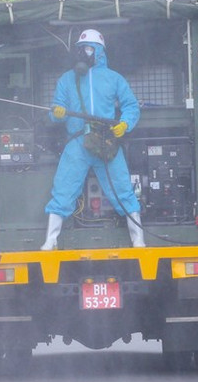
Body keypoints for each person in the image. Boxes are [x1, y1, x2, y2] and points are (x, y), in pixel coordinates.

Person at [41, 29, 144, 251]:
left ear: (99, 51)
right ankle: (51, 240)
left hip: (106, 141)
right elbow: (54, 109)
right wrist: (56, 112)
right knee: (63, 189)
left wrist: (124, 124)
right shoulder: (67, 79)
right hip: (77, 143)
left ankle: (138, 239)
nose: (85, 52)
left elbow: (130, 105)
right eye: (81, 48)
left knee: (123, 188)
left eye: (89, 48)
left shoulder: (114, 78)